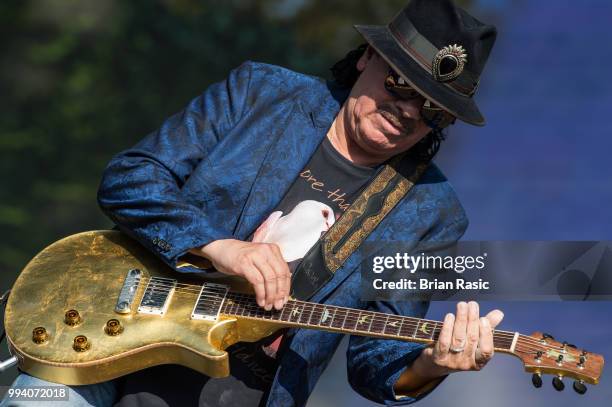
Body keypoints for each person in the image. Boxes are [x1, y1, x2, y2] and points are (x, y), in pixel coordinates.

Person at [1, 1, 504, 406]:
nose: (407, 111)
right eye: (401, 84)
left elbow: (377, 362)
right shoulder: (259, 92)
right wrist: (218, 246)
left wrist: (432, 365)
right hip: (103, 328)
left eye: (433, 109)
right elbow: (131, 178)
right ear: (367, 56)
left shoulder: (433, 212)